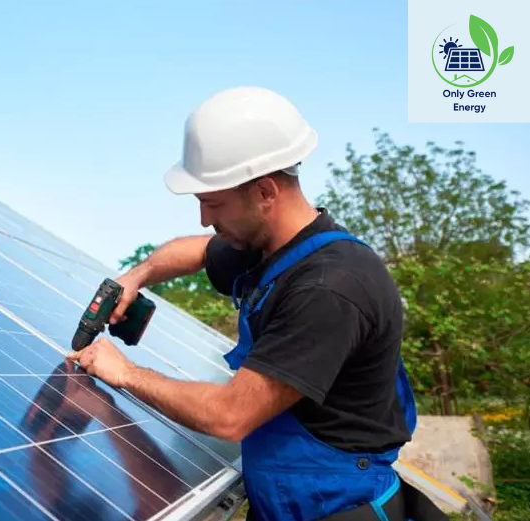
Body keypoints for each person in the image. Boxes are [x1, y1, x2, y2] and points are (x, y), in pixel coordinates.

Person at [66, 86, 448, 521]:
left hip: (336, 508)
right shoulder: (272, 250)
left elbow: (230, 417)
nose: (205, 218)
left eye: (213, 203)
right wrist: (136, 276)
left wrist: (126, 373)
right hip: (288, 505)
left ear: (265, 192)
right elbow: (198, 250)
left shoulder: (329, 286)